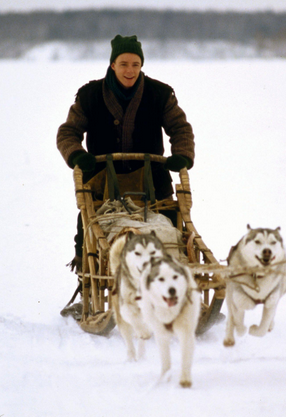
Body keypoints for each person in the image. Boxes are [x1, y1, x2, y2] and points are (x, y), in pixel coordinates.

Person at [56, 34, 195, 286]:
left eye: (135, 65)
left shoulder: (160, 93)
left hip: (152, 178)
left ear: (141, 66)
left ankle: (175, 273)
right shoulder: (89, 95)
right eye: (123, 64)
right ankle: (89, 279)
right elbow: (68, 132)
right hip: (102, 181)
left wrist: (182, 156)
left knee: (171, 222)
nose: (129, 70)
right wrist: (77, 154)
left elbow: (180, 128)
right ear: (112, 65)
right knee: (88, 223)